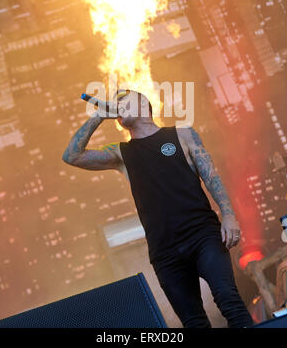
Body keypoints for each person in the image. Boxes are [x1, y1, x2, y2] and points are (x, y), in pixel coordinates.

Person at [62, 88, 254, 328]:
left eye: (124, 101)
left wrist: (228, 216)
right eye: (116, 104)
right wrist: (99, 115)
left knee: (229, 299)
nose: (118, 106)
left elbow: (211, 176)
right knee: (193, 322)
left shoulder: (182, 134)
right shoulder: (121, 152)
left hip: (202, 235)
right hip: (165, 251)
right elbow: (72, 156)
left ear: (144, 105)